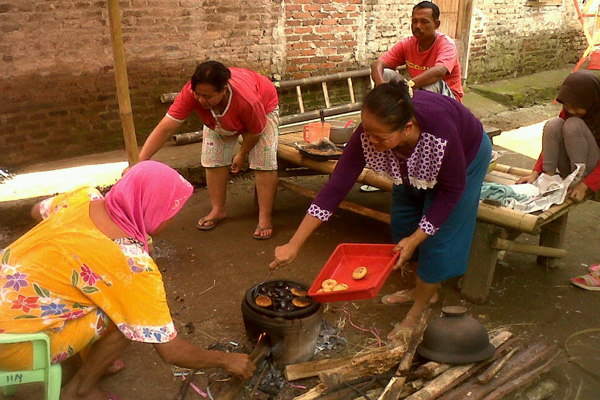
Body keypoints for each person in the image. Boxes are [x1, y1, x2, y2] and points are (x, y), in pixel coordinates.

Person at [0, 161, 255, 400]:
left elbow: (37, 211)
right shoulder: (131, 263)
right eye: (171, 209)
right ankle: (79, 389)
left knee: (100, 292)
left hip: (7, 298)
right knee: (125, 319)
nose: (173, 218)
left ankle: (92, 358)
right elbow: (171, 351)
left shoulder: (84, 197)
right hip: (13, 345)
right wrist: (226, 360)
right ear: (151, 209)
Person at [270, 81, 491, 341]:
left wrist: (417, 238)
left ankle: (418, 310)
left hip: (466, 159)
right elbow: (335, 188)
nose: (370, 141)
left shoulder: (440, 133)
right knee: (403, 222)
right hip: (408, 159)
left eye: (379, 137)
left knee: (437, 239)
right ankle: (424, 290)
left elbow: (452, 190)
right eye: (367, 132)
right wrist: (295, 244)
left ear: (407, 128)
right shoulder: (372, 134)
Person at [138, 60, 279, 240]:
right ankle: (218, 209)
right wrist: (139, 161)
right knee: (213, 158)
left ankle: (265, 217)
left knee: (264, 160)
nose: (202, 100)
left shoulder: (248, 101)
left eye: (208, 97)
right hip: (219, 119)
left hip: (263, 108)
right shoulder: (190, 93)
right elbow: (166, 128)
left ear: (224, 90)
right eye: (198, 95)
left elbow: (256, 132)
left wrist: (242, 153)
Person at [517, 71, 600, 203]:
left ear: (590, 101)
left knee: (573, 124)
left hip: (590, 171)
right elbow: (551, 142)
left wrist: (585, 186)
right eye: (567, 106)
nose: (571, 111)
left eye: (576, 107)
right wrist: (536, 172)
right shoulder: (568, 111)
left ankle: (578, 178)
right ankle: (547, 178)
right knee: (554, 124)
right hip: (569, 166)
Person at [370, 1, 463, 102]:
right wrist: (381, 86)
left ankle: (416, 114)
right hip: (418, 90)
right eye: (415, 21)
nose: (418, 26)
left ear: (436, 24)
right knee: (386, 73)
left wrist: (408, 85)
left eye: (424, 22)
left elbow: (439, 72)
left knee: (432, 82)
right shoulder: (407, 44)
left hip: (449, 101)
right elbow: (378, 64)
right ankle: (388, 113)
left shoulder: (446, 44)